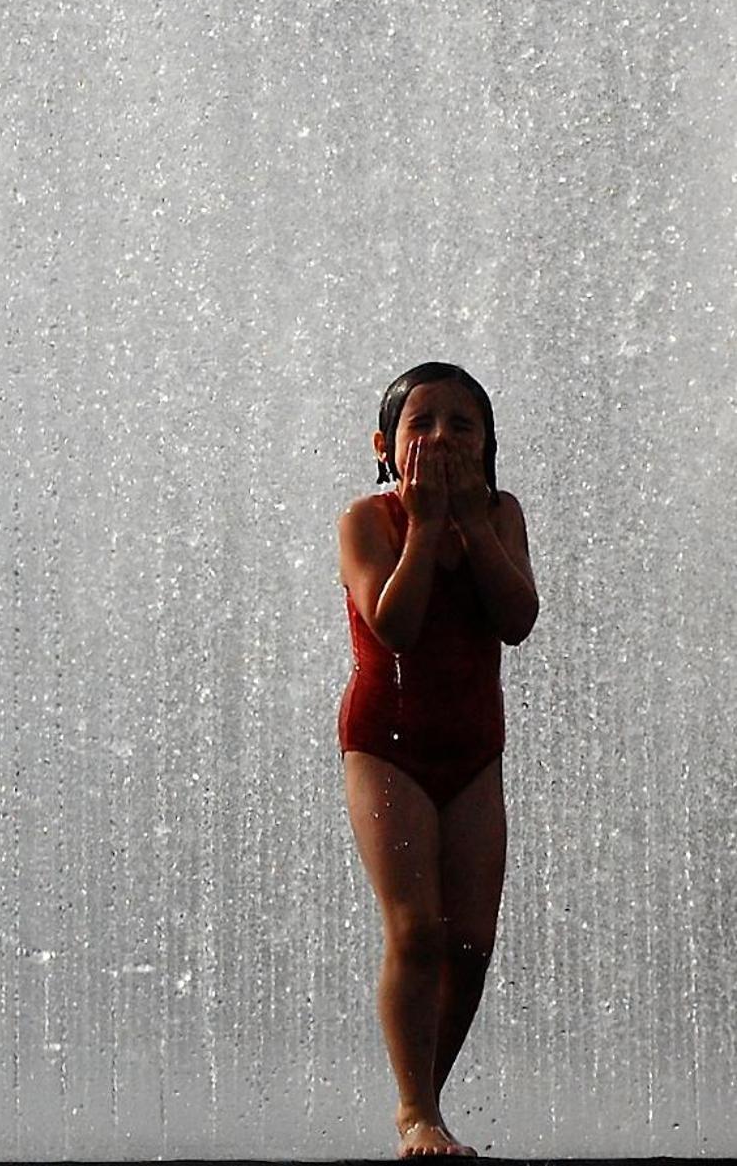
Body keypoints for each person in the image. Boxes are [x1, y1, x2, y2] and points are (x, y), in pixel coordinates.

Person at [336, 363, 539, 1157]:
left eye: (463, 424)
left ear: (488, 446)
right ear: (386, 446)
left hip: (474, 748)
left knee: (472, 945)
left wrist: (474, 528)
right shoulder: (367, 519)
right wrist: (424, 528)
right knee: (418, 928)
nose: (442, 437)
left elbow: (518, 617)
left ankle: (425, 1099)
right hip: (387, 744)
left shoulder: (502, 514)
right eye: (422, 423)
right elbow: (395, 627)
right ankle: (415, 1112)